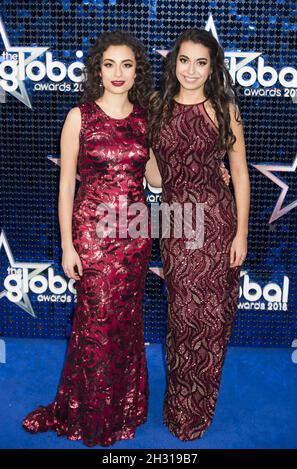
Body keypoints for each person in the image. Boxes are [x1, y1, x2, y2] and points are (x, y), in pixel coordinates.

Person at [22, 31, 155, 447]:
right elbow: (65, 186)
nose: (118, 73)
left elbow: (154, 178)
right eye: (110, 64)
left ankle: (124, 406)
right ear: (98, 69)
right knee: (96, 323)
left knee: (125, 322)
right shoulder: (79, 116)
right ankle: (90, 413)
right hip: (93, 235)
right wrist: (67, 245)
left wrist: (205, 174)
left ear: (137, 72)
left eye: (127, 64)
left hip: (134, 235)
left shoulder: (146, 117)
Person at [149, 29, 250, 441]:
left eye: (201, 62)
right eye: (184, 60)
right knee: (182, 318)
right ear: (174, 63)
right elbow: (155, 173)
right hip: (176, 221)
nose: (191, 70)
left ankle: (199, 405)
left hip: (217, 221)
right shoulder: (155, 105)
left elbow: (240, 175)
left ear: (213, 67)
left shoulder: (225, 109)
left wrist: (241, 233)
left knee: (210, 320)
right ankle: (179, 405)